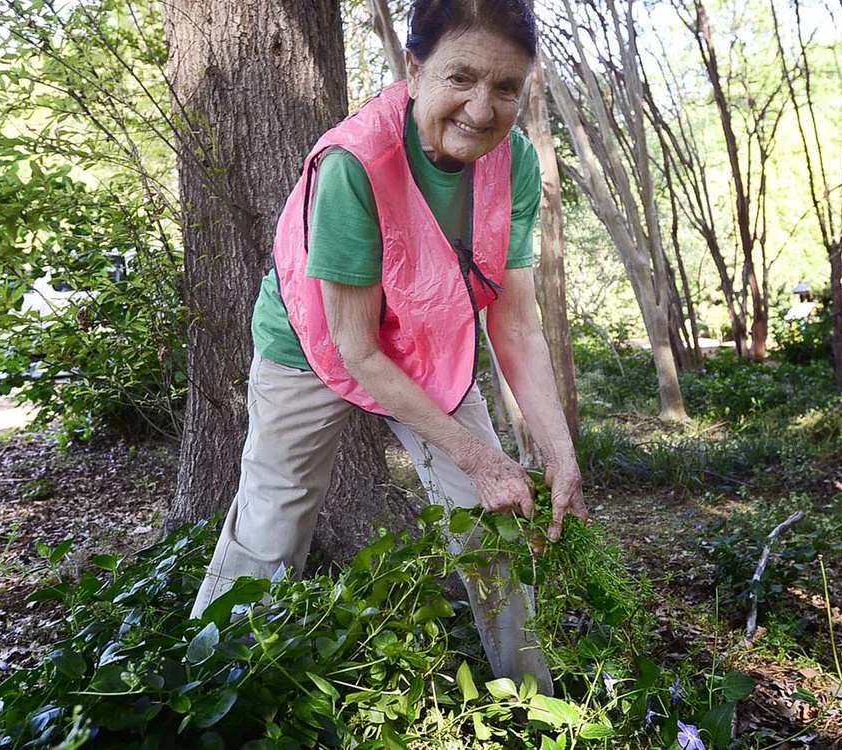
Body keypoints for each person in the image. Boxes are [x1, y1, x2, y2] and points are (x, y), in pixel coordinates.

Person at [192, 0, 588, 695]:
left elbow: (518, 326)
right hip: (315, 343)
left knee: (488, 525)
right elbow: (357, 349)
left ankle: (537, 705)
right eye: (460, 77)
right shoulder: (355, 162)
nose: (481, 109)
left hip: (425, 341)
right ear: (414, 67)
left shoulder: (515, 163)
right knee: (274, 516)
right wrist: (482, 457)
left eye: (505, 87)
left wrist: (558, 452)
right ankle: (205, 689)